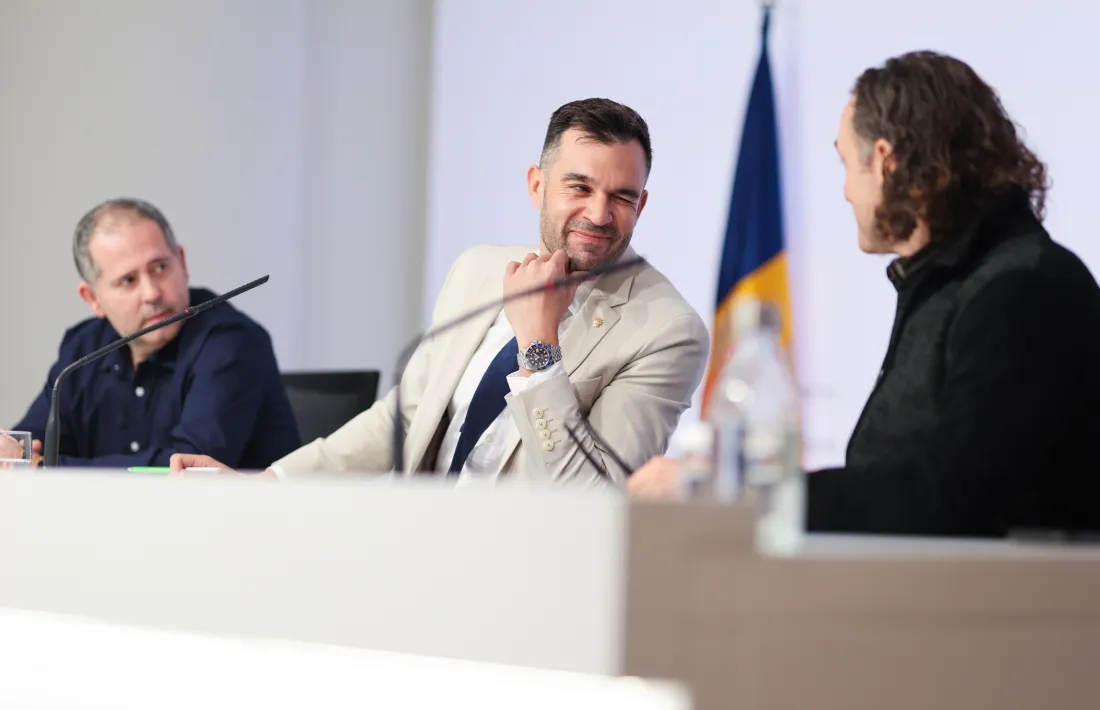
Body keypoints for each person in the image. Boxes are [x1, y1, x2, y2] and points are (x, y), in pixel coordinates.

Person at [630, 51, 1100, 537]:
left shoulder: (1024, 290)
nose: (846, 191)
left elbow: (950, 497)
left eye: (846, 163)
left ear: (884, 160)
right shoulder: (958, 283)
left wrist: (734, 497)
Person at [173, 98, 709, 485]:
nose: (598, 213)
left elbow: (591, 497)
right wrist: (266, 483)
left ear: (641, 206)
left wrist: (538, 346)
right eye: (580, 187)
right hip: (418, 549)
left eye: (621, 196)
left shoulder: (666, 330)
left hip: (533, 580)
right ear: (537, 186)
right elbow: (402, 419)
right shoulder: (477, 269)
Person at [6, 198, 300, 469]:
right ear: (92, 298)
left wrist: (44, 469)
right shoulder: (82, 349)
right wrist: (12, 455)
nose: (152, 293)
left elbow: (188, 470)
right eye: (128, 280)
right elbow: (29, 445)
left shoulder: (232, 342)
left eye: (160, 267)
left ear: (182, 262)